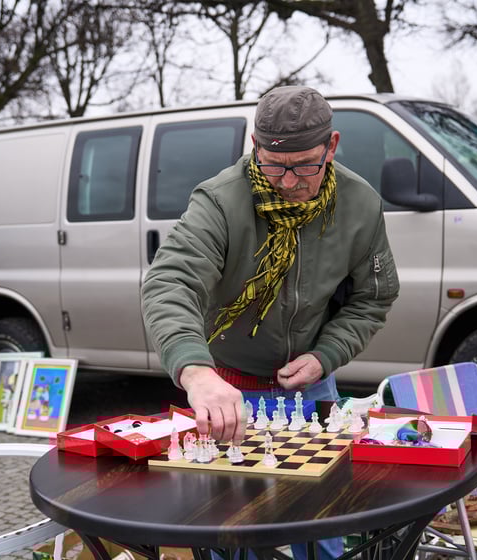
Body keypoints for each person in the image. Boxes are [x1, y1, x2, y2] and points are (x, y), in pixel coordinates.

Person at [141, 85, 400, 560]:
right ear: (254, 147)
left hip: (312, 389)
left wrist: (325, 356)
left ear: (333, 146)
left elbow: (373, 298)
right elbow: (170, 282)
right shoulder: (219, 201)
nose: (286, 181)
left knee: (322, 519)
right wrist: (197, 372)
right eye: (273, 165)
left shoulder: (360, 204)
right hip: (229, 392)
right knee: (230, 526)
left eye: (305, 166)